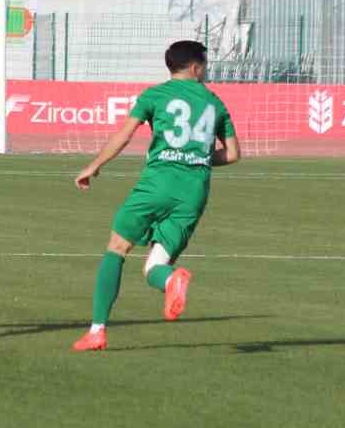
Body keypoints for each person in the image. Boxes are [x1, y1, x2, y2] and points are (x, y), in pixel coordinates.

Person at [69, 39, 238, 352]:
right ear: (196, 66)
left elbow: (125, 133)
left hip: (156, 185)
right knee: (154, 266)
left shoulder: (154, 95)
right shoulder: (215, 102)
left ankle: (97, 331)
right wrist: (197, 157)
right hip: (194, 193)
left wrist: (94, 166)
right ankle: (169, 279)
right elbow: (233, 154)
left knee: (118, 247)